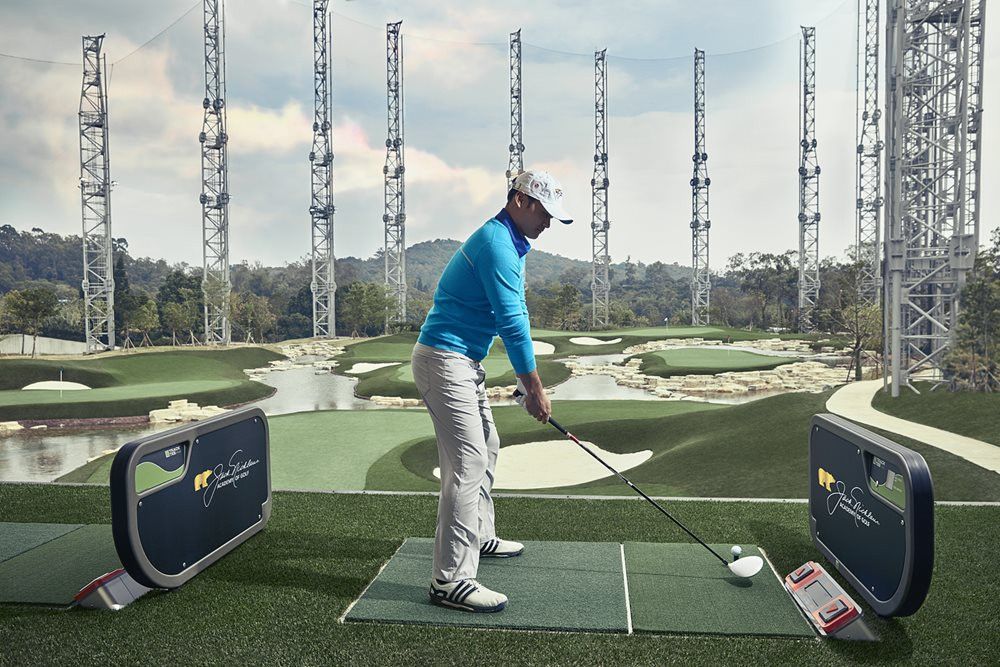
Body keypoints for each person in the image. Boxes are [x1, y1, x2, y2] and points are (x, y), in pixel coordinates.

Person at [411, 169, 573, 612]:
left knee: (487, 444)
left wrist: (525, 382)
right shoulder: (498, 245)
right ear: (520, 201)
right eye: (544, 212)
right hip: (443, 360)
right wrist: (533, 387)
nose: (548, 223)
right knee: (467, 464)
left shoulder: (511, 244)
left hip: (462, 361)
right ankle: (450, 581)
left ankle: (478, 537)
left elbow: (511, 312)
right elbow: (512, 323)